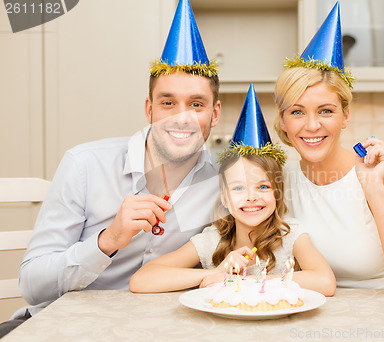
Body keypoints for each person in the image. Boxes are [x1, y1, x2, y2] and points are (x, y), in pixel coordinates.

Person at [0, 0, 220, 338]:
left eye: (196, 104)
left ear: (215, 114)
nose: (182, 117)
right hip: (64, 327)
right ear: (149, 109)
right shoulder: (85, 164)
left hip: (164, 330)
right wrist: (108, 240)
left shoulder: (227, 180)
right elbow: (32, 285)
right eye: (167, 102)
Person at [273, 2, 384, 296]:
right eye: (297, 112)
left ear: (345, 116)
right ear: (283, 121)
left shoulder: (383, 171)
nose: (311, 126)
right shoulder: (280, 179)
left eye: (325, 111)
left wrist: (374, 189)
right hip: (322, 308)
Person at [129, 84, 336, 296]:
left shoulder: (290, 235)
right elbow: (141, 280)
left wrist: (253, 282)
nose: (251, 197)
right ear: (224, 198)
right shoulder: (213, 240)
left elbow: (325, 282)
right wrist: (216, 273)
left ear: (277, 192)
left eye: (263, 186)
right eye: (238, 188)